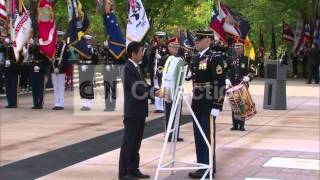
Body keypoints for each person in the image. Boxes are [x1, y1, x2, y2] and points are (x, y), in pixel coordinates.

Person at [187, 30, 226, 179]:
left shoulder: (214, 57)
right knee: (198, 135)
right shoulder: (196, 57)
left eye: (200, 39)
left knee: (207, 136)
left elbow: (220, 83)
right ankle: (201, 166)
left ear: (208, 40)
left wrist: (217, 104)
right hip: (197, 101)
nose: (196, 42)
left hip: (209, 102)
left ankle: (209, 167)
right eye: (196, 40)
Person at [119, 41, 152, 180]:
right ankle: (124, 171)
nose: (142, 55)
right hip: (132, 111)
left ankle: (133, 168)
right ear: (133, 54)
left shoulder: (136, 67)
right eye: (140, 52)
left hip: (139, 110)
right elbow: (136, 87)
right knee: (129, 142)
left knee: (136, 142)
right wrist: (153, 93)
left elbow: (143, 84)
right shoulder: (128, 68)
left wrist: (153, 90)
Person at [226, 39, 256, 131]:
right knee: (234, 104)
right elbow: (225, 70)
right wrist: (226, 79)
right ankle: (235, 124)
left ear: (242, 48)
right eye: (236, 47)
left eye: (239, 48)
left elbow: (254, 70)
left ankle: (241, 125)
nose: (237, 49)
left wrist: (249, 77)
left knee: (242, 104)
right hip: (232, 85)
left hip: (242, 85)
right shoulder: (230, 59)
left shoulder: (247, 60)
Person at [162, 37, 184, 142]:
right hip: (167, 88)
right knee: (168, 111)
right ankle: (168, 133)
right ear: (169, 47)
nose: (176, 49)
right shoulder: (164, 58)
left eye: (177, 47)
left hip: (176, 88)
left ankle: (175, 133)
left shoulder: (180, 59)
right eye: (174, 47)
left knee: (176, 112)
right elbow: (160, 73)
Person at [149, 31, 169, 113]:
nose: (160, 39)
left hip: (162, 70)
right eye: (159, 38)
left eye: (161, 38)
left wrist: (161, 58)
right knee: (156, 87)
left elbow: (168, 58)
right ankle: (158, 107)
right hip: (155, 71)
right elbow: (150, 59)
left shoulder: (166, 48)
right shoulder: (154, 48)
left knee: (162, 87)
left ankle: (162, 106)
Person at [78, 35, 98, 111]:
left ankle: (88, 104)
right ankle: (84, 104)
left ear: (89, 41)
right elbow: (79, 58)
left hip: (89, 69)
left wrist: (89, 66)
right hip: (82, 69)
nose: (87, 41)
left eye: (88, 40)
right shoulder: (81, 49)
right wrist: (81, 65)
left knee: (88, 85)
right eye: (85, 40)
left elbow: (95, 60)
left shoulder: (92, 49)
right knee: (82, 85)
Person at [52, 31, 70, 110]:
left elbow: (65, 59)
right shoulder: (54, 46)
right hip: (54, 67)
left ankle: (61, 103)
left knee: (60, 86)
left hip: (61, 68)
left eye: (59, 37)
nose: (58, 38)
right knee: (55, 87)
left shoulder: (65, 46)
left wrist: (59, 68)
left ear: (62, 37)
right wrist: (54, 67)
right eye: (57, 36)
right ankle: (56, 103)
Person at [30, 39, 50, 109]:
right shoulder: (34, 47)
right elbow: (30, 53)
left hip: (41, 69)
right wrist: (31, 45)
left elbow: (47, 60)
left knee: (40, 87)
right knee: (34, 87)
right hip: (34, 68)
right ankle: (35, 103)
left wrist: (41, 66)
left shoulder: (44, 48)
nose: (38, 41)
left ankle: (40, 103)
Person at [3, 38, 20, 108]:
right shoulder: (6, 48)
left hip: (14, 70)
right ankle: (9, 102)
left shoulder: (16, 49)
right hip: (7, 70)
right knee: (8, 87)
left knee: (13, 87)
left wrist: (11, 62)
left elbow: (18, 59)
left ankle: (14, 103)